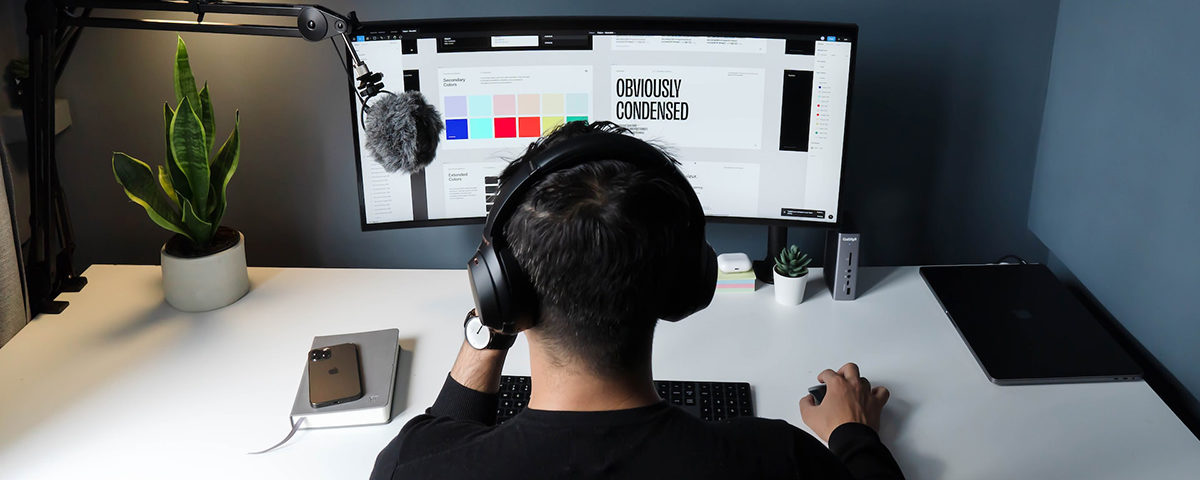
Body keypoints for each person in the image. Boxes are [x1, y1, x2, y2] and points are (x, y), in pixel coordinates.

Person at [370, 122, 904, 479]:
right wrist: (853, 435)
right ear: (688, 285)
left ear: (499, 290)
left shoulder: (414, 468)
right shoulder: (774, 459)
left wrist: (487, 329)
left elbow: (445, 437)